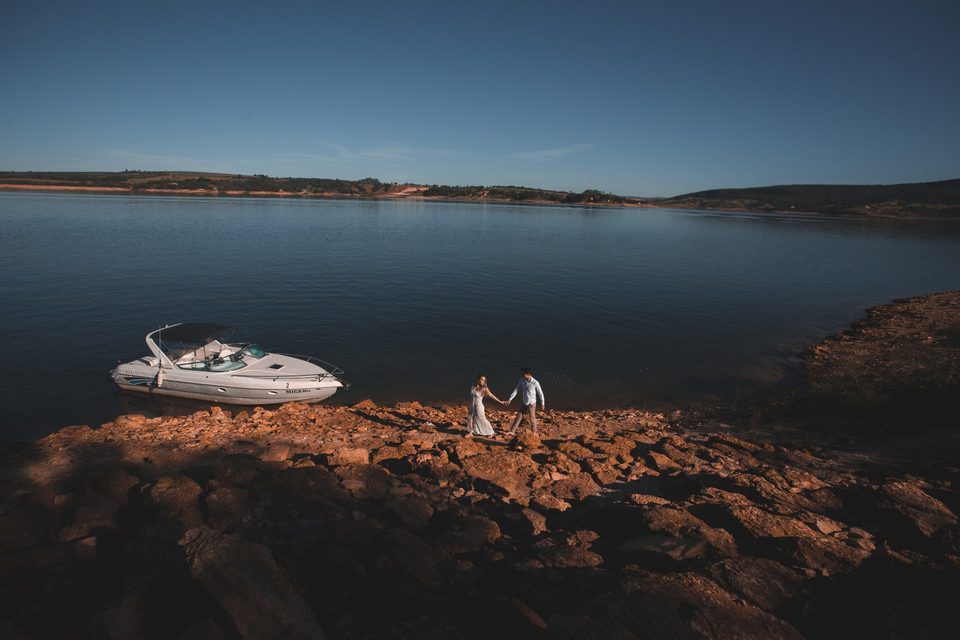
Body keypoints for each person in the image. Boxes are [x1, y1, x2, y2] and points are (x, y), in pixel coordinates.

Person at [507, 367, 545, 433]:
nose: (522, 375)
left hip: (531, 403)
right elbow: (516, 390)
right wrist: (510, 399)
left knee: (532, 418)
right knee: (519, 416)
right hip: (524, 402)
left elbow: (540, 393)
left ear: (528, 374)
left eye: (523, 374)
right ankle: (512, 431)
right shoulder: (522, 380)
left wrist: (542, 404)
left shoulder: (535, 382)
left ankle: (534, 433)